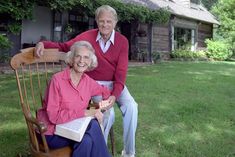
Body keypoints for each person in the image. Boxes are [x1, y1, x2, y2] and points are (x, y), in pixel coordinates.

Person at [35, 5, 138, 157]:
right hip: (94, 83)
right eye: (101, 21)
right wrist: (43, 43)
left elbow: (121, 74)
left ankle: (129, 153)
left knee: (132, 107)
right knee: (107, 114)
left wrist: (113, 96)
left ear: (115, 22)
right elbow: (64, 46)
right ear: (96, 21)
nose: (105, 24)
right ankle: (99, 150)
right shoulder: (86, 38)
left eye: (109, 21)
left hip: (113, 85)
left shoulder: (122, 41)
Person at [36, 41, 112, 157]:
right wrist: (86, 112)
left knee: (86, 141)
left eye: (86, 57)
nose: (82, 61)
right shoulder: (57, 80)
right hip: (52, 132)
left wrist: (96, 108)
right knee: (93, 124)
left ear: (90, 62)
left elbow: (106, 93)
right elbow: (53, 117)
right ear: (71, 59)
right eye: (78, 56)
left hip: (76, 128)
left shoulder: (88, 82)